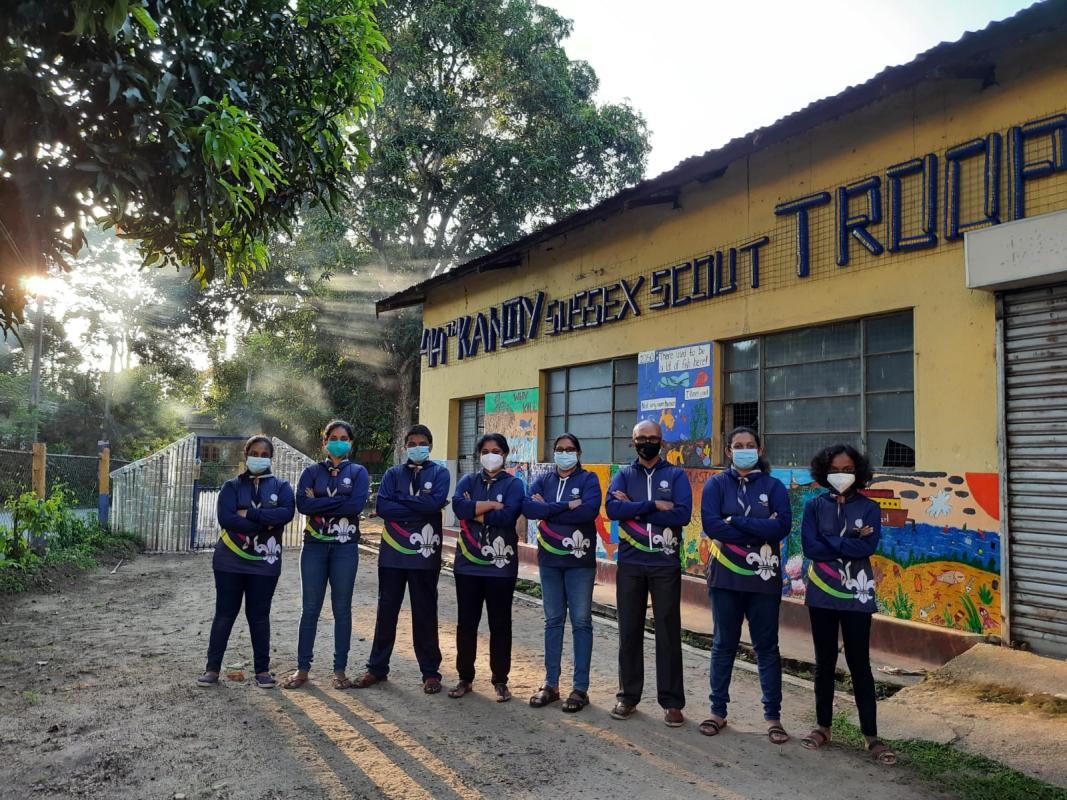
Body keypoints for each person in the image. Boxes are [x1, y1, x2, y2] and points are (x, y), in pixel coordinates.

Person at [800, 444, 896, 765]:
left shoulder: (868, 508)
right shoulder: (814, 507)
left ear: (858, 472)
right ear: (824, 472)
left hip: (858, 595)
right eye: (835, 470)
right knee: (824, 662)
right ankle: (823, 727)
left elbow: (867, 547)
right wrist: (849, 540)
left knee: (860, 664)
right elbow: (811, 549)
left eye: (848, 470)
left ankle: (871, 736)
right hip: (821, 594)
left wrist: (832, 541)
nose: (841, 475)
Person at [699, 426, 792, 743]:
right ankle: (717, 712)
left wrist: (736, 521)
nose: (744, 450)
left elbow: (781, 527)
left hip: (764, 579)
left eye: (750, 445)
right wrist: (760, 527)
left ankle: (773, 717)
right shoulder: (716, 485)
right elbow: (713, 526)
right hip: (725, 578)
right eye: (738, 446)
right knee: (724, 643)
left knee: (767, 647)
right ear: (728, 451)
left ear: (760, 450)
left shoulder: (774, 487)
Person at [605, 420, 692, 727]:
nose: (647, 442)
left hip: (665, 564)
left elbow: (682, 514)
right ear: (633, 442)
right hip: (630, 564)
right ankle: (628, 697)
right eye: (641, 438)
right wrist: (654, 505)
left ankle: (672, 702)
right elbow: (612, 510)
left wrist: (634, 508)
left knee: (668, 631)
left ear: (662, 442)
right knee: (629, 630)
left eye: (653, 437)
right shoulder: (623, 475)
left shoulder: (676, 475)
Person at [354, 424, 450, 693]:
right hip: (392, 555)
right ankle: (377, 668)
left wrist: (401, 500)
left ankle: (430, 673)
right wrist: (418, 506)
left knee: (425, 612)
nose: (416, 448)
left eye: (422, 443)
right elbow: (383, 507)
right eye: (411, 444)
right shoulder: (392, 474)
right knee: (386, 611)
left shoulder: (440, 473)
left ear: (430, 446)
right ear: (405, 447)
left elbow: (434, 504)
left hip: (425, 554)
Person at [198, 435, 295, 688]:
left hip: (265, 562)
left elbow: (286, 513)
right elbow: (227, 519)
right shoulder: (231, 487)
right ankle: (212, 669)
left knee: (259, 616)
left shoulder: (282, 487)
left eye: (264, 455)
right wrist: (266, 523)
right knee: (224, 614)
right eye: (254, 453)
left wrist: (249, 513)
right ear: (245, 454)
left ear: (271, 458)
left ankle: (262, 671)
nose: (259, 458)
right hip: (229, 561)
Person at [283, 420, 370, 690]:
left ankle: (339, 670)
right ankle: (302, 669)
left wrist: (319, 502)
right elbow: (303, 505)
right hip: (314, 547)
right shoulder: (311, 472)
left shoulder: (359, 472)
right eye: (333, 437)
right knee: (310, 609)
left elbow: (355, 506)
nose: (338, 442)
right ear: (324, 442)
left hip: (345, 548)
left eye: (344, 438)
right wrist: (339, 502)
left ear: (351, 443)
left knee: (342, 609)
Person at [522, 433, 602, 713]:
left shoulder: (589, 479)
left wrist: (547, 510)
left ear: (578, 453)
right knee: (553, 621)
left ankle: (580, 689)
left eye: (569, 449)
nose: (564, 453)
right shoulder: (544, 479)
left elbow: (588, 512)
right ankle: (551, 684)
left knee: (581, 622)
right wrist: (566, 506)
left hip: (580, 562)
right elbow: (528, 508)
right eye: (559, 449)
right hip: (549, 562)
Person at [448, 432, 525, 702]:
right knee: (466, 624)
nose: (490, 456)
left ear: (505, 454)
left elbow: (508, 516)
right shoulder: (468, 481)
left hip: (501, 567)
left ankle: (500, 680)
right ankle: (465, 678)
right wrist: (492, 505)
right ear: (479, 455)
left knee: (500, 624)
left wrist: (476, 511)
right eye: (485, 451)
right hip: (467, 565)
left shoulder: (515, 484)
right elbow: (459, 508)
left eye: (496, 451)